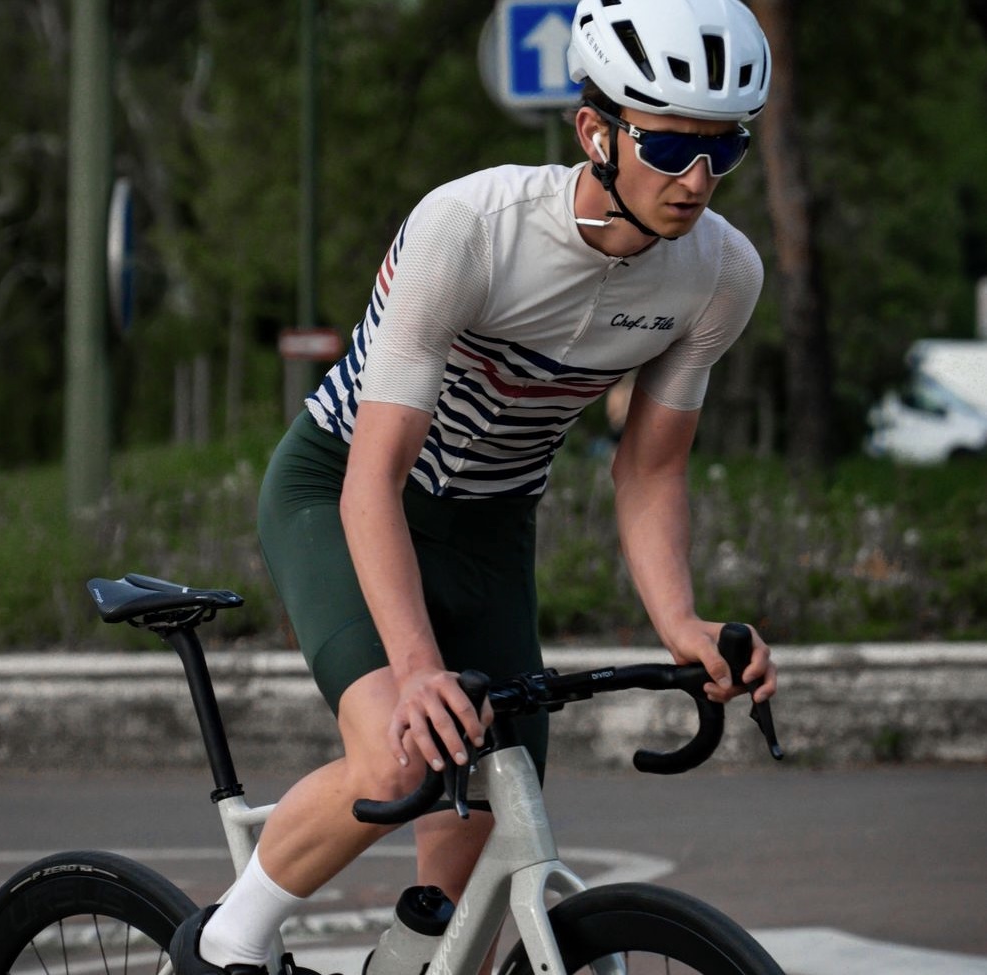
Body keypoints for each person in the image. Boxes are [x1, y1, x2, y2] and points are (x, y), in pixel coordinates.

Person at [172, 1, 777, 972]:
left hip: (491, 523)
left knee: (488, 830)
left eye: (725, 150)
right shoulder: (470, 227)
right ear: (596, 131)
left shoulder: (720, 275)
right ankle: (219, 944)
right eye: (668, 145)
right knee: (401, 757)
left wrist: (684, 628)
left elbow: (649, 466)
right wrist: (414, 671)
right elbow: (374, 477)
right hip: (343, 490)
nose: (698, 180)